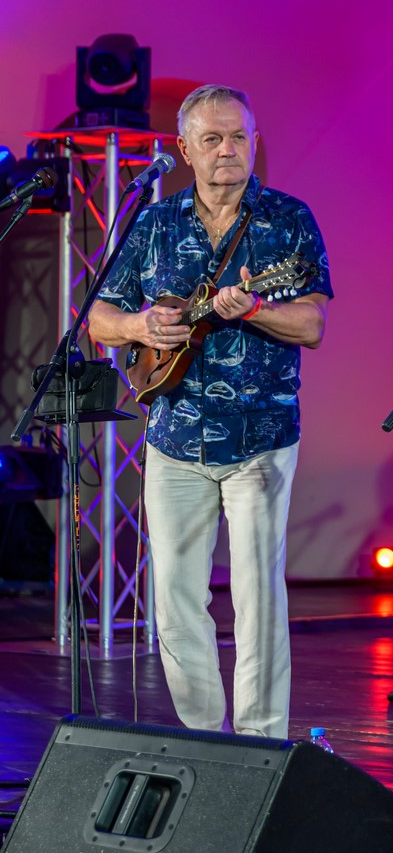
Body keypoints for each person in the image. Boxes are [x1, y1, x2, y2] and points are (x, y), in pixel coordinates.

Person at [89, 84, 332, 739]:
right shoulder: (154, 223)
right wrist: (141, 324)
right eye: (213, 139)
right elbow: (100, 318)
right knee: (174, 598)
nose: (228, 150)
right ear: (185, 149)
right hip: (174, 434)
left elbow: (313, 323)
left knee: (258, 596)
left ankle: (261, 742)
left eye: (239, 137)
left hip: (261, 436)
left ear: (254, 142)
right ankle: (202, 736)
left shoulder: (288, 220)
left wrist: (255, 308)